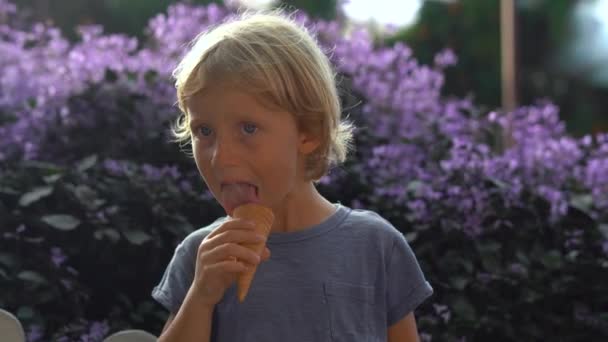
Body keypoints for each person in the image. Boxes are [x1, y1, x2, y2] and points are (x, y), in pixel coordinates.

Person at [152, 9, 433, 342]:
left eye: (248, 128)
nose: (220, 156)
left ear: (308, 132)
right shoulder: (202, 255)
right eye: (205, 130)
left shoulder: (375, 247)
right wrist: (201, 297)